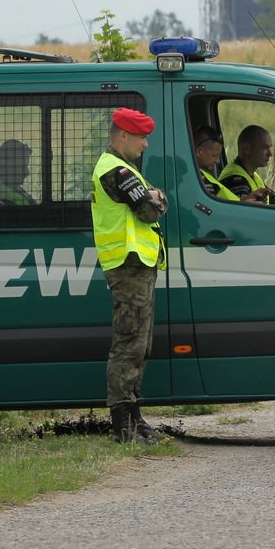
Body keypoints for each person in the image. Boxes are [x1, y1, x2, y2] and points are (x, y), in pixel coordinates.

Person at [91, 107, 169, 445]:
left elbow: (155, 201)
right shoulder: (117, 172)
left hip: (138, 266)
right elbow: (149, 209)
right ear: (123, 136)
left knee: (140, 344)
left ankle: (135, 418)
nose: (146, 144)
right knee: (128, 344)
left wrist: (155, 197)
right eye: (141, 137)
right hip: (127, 266)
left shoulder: (125, 169)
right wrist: (155, 198)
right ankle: (121, 426)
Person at [220, 125, 275, 204]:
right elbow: (247, 213)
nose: (270, 154)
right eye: (265, 148)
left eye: (269, 148)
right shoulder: (237, 180)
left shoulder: (252, 175)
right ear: (247, 148)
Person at [193, 125, 239, 201]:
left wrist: (246, 201)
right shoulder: (200, 180)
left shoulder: (203, 175)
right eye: (214, 155)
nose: (217, 161)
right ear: (199, 152)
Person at [0, 139, 36, 205]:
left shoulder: (15, 190)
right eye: (22, 166)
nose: (27, 172)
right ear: (8, 167)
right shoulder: (2, 197)